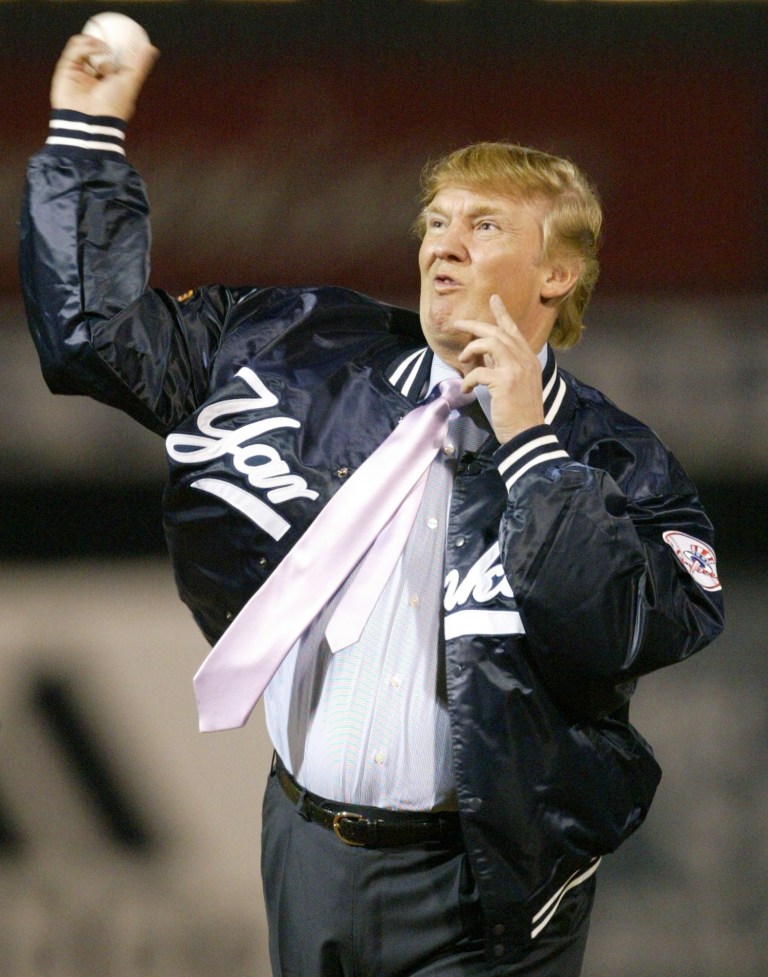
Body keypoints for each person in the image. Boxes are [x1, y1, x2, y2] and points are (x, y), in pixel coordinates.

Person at [20, 32, 724, 977]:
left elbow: (611, 629)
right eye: (436, 220)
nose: (443, 242)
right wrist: (83, 137)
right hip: (307, 846)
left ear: (557, 274)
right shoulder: (298, 354)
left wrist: (528, 443)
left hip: (487, 889)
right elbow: (94, 341)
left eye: (484, 225)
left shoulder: (618, 461)